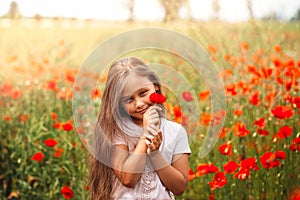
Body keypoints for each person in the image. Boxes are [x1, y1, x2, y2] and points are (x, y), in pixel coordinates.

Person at [89, 57, 191, 200]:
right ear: (118, 103)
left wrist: (155, 155)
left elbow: (179, 187)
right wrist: (145, 136)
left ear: (155, 85)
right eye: (129, 99)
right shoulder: (117, 131)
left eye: (143, 93)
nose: (139, 104)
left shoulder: (176, 132)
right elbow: (128, 179)